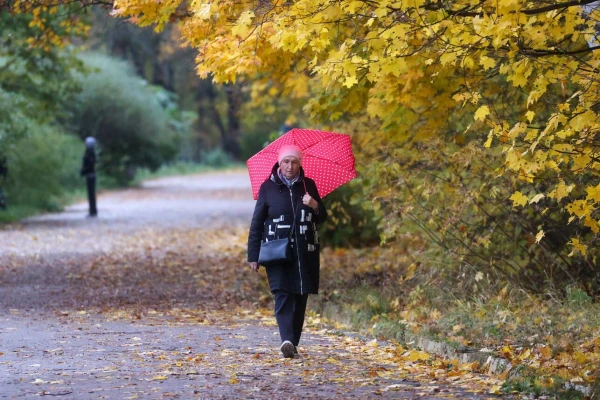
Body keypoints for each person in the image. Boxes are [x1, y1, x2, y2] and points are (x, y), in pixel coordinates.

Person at [247, 144, 327, 358]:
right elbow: (257, 223)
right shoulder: (268, 188)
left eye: (294, 162)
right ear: (279, 163)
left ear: (300, 163)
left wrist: (315, 205)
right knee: (282, 293)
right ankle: (286, 340)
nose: (289, 166)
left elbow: (323, 217)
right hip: (276, 250)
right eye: (286, 162)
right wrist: (253, 255)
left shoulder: (309, 185)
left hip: (304, 251)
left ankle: (293, 343)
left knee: (300, 296)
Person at [80, 137, 97, 217]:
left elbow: (90, 165)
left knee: (91, 194)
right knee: (91, 194)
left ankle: (93, 211)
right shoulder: (90, 153)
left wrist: (84, 171)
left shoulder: (90, 154)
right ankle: (92, 210)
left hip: (90, 175)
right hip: (90, 175)